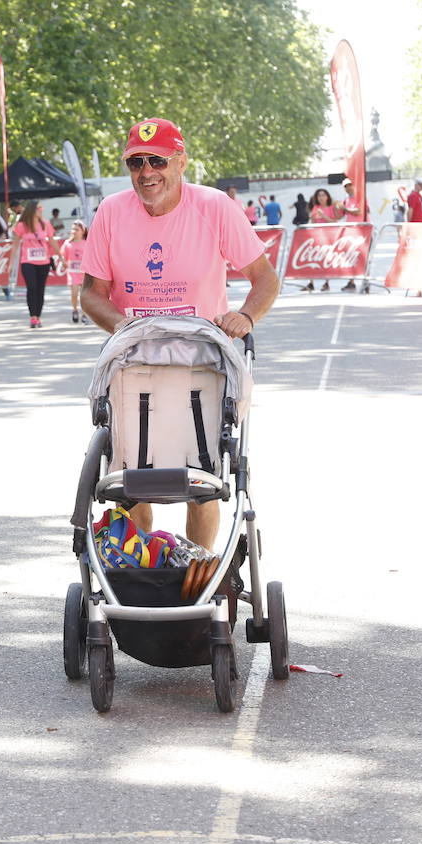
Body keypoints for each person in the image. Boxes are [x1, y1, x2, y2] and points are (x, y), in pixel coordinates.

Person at [81, 117, 279, 552]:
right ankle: (148, 566)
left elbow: (265, 278)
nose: (147, 172)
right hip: (134, 361)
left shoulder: (213, 207)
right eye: (136, 163)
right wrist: (124, 326)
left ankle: (199, 568)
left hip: (201, 362)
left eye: (157, 160)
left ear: (181, 162)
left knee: (201, 474)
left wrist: (245, 316)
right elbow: (91, 294)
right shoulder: (112, 212)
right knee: (129, 478)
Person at [11, 201, 54, 327]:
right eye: (39, 207)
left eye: (42, 207)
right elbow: (15, 244)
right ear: (32, 210)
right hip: (27, 261)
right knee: (32, 288)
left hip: (44, 262)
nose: (41, 209)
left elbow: (52, 241)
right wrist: (11, 262)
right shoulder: (22, 225)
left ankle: (38, 316)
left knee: (40, 289)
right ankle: (33, 317)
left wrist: (61, 258)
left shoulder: (45, 224)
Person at [305, 188, 339, 291]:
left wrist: (324, 216)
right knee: (312, 259)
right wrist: (312, 218)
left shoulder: (331, 207)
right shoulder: (316, 207)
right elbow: (314, 223)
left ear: (327, 196)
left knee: (326, 260)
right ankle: (310, 283)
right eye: (319, 195)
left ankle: (326, 282)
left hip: (328, 237)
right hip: (317, 237)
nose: (321, 197)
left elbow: (335, 221)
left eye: (323, 195)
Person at [60, 220, 88, 323]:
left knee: (84, 296)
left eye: (77, 229)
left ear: (83, 231)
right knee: (74, 293)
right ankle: (75, 310)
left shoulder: (87, 243)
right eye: (73, 229)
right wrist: (63, 262)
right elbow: (63, 257)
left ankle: (85, 314)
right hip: (72, 273)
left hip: (84, 274)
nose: (74, 231)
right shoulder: (67, 243)